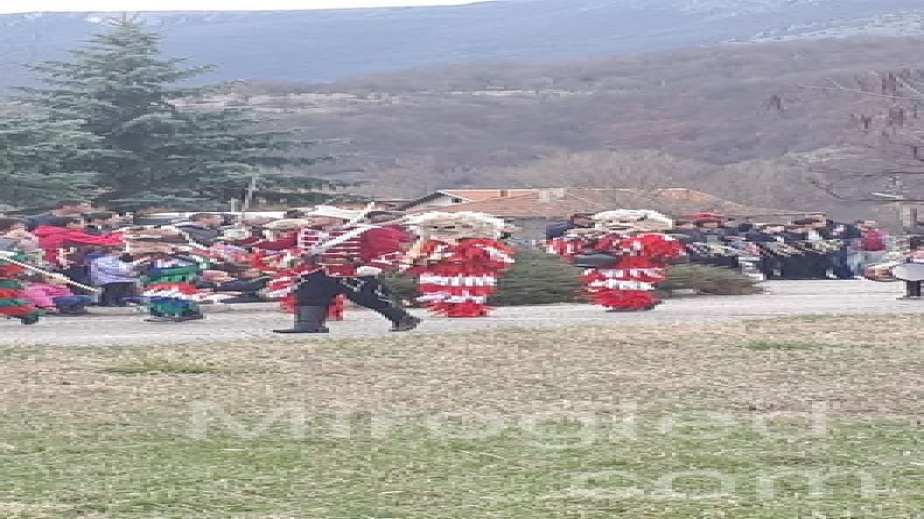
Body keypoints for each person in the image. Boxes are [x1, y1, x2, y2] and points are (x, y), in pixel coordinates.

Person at [258, 205, 421, 334]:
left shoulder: (367, 231)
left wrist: (374, 266)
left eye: (316, 216)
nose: (311, 219)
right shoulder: (304, 232)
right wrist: (246, 239)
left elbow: (392, 253)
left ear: (334, 218)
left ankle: (404, 319)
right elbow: (276, 246)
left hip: (351, 272)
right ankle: (309, 325)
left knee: (369, 298)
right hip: (315, 271)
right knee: (309, 296)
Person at [561, 209, 684, 312]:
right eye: (609, 222)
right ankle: (629, 303)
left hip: (632, 265)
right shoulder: (604, 236)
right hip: (610, 265)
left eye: (623, 221)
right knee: (612, 285)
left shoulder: (645, 237)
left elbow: (658, 249)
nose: (615, 224)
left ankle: (636, 303)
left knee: (629, 285)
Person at [402, 211, 515, 318]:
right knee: (448, 291)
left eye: (450, 227)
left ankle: (468, 308)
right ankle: (452, 308)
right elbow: (420, 257)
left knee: (468, 291)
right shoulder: (433, 244)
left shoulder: (477, 244)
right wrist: (428, 259)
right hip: (445, 272)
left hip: (469, 272)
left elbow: (487, 257)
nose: (444, 230)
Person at [22, 273, 93, 315]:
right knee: (72, 299)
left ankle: (75, 308)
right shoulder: (37, 287)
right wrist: (48, 306)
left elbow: (68, 295)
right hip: (51, 301)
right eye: (61, 277)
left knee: (86, 298)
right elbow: (40, 298)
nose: (66, 278)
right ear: (48, 280)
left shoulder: (61, 287)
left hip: (62, 299)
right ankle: (63, 309)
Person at [26, 200, 93, 231]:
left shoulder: (84, 219)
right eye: (85, 207)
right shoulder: (35, 220)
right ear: (67, 207)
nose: (89, 209)